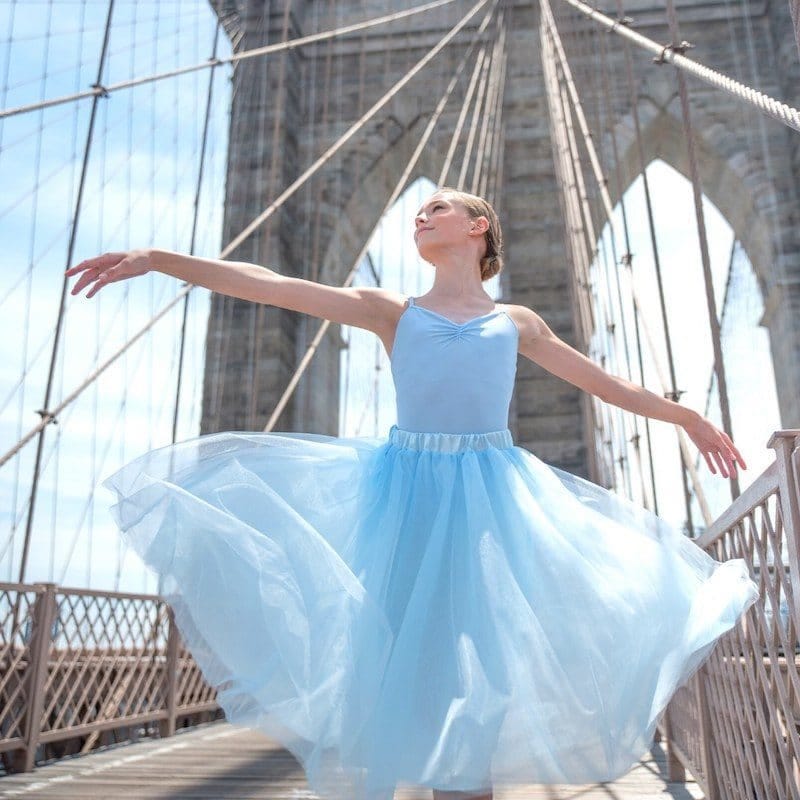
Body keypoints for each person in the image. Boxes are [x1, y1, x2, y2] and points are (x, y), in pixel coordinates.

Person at [66, 187, 759, 800]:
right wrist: (159, 258)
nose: (420, 217)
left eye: (437, 208)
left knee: (480, 674)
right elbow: (269, 284)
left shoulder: (517, 322)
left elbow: (609, 386)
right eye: (418, 212)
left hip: (495, 504)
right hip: (403, 499)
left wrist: (687, 416)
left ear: (478, 227)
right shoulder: (392, 311)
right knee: (413, 665)